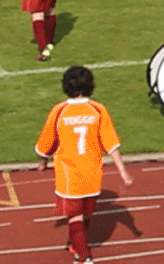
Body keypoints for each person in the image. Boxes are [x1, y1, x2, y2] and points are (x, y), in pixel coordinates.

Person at [36, 64, 132, 264]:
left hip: (69, 175)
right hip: (92, 173)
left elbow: (47, 142)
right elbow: (111, 143)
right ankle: (77, 246)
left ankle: (85, 257)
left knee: (75, 216)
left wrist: (43, 162)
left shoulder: (59, 110)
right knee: (86, 214)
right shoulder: (98, 109)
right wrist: (123, 172)